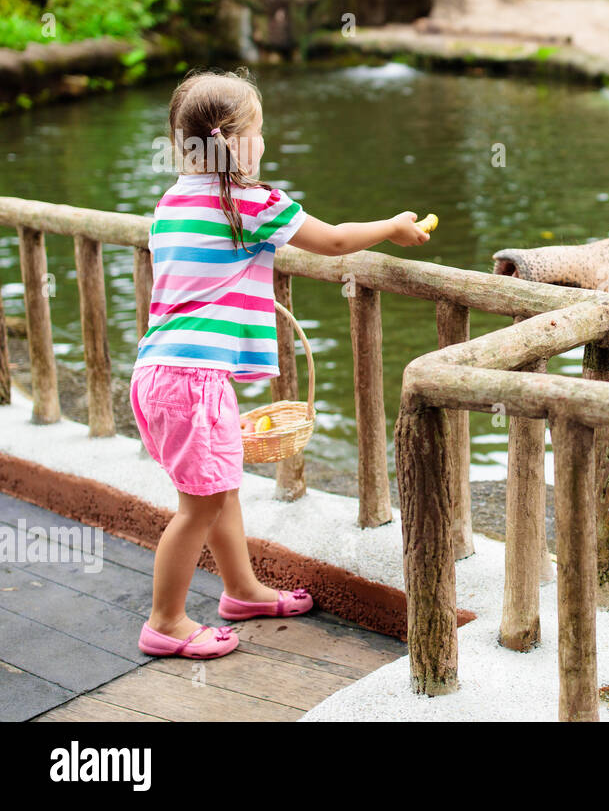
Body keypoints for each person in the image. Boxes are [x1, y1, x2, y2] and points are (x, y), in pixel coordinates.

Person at [132, 69, 428, 659]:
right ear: (237, 142)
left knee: (217, 490)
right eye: (260, 130)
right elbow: (338, 240)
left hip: (159, 373)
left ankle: (240, 590)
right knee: (198, 506)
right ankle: (164, 621)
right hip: (192, 380)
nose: (265, 142)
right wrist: (392, 228)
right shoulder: (252, 202)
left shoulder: (171, 202)